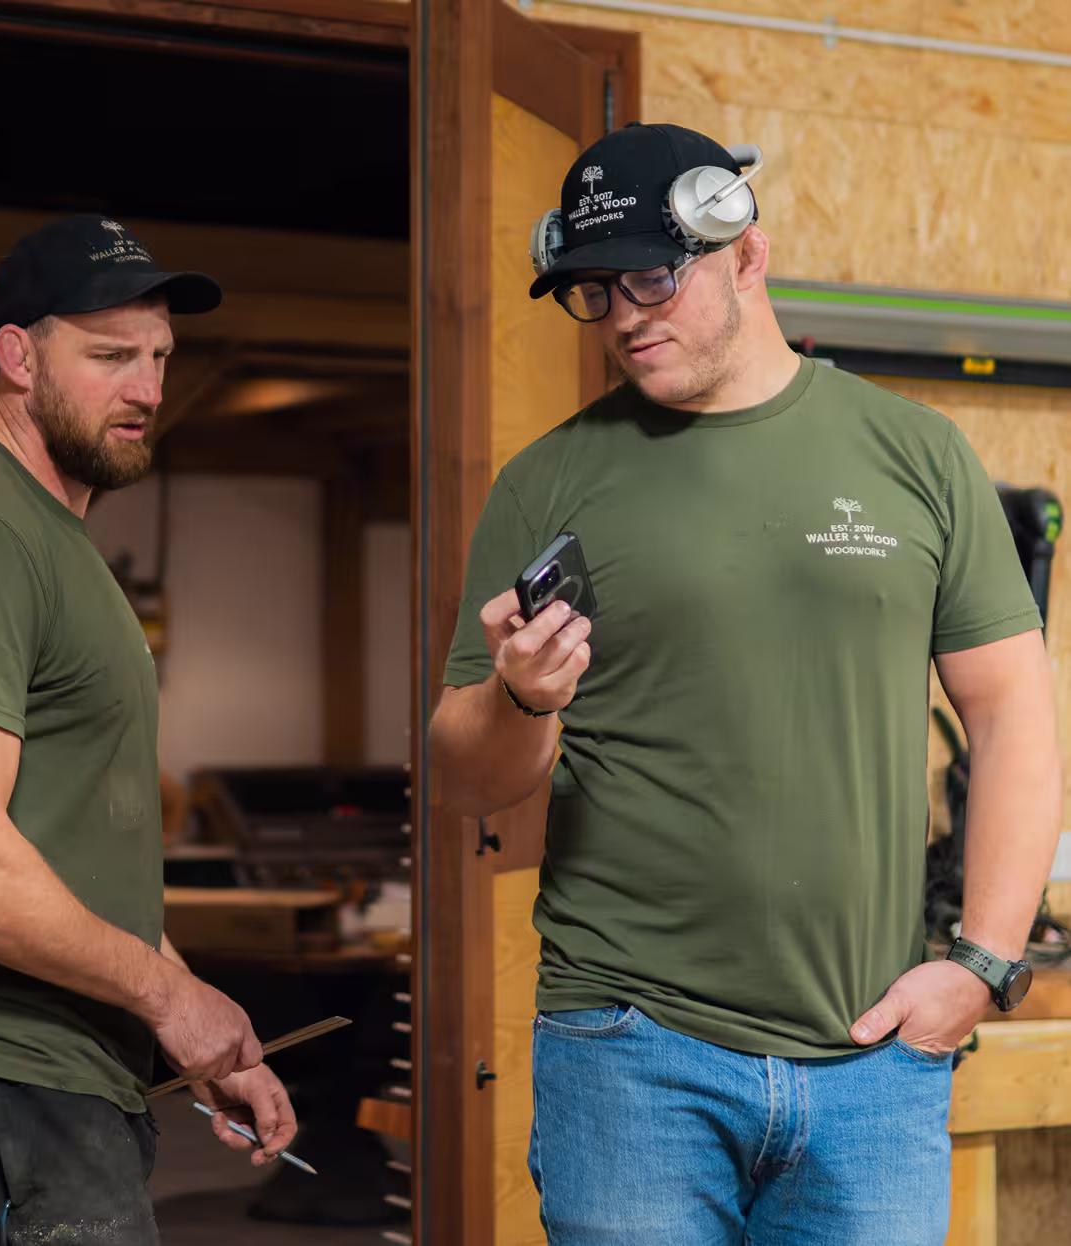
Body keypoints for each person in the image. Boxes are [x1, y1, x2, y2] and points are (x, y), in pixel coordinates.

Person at [430, 123, 1062, 1244]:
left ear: (746, 255)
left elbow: (1013, 709)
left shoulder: (912, 454)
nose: (624, 314)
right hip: (631, 1052)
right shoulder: (549, 482)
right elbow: (470, 783)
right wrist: (525, 696)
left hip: (871, 1059)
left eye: (651, 276)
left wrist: (981, 963)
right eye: (593, 290)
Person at [0, 216, 296, 1246]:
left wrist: (192, 1025)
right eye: (109, 356)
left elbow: (75, 847)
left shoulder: (55, 539)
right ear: (16, 353)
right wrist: (168, 996)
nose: (145, 386)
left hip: (57, 1067)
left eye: (159, 358)